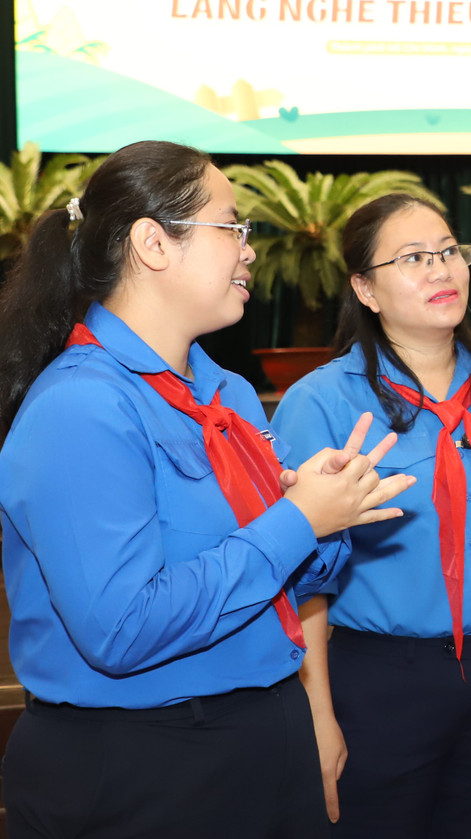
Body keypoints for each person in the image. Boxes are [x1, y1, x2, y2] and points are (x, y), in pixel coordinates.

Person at [0, 140, 413, 839]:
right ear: (153, 244)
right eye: (231, 227)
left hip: (261, 730)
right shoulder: (81, 405)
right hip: (142, 763)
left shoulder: (229, 393)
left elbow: (281, 578)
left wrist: (328, 513)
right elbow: (122, 629)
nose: (249, 252)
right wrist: (295, 521)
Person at [270, 192, 471, 839]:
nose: (441, 269)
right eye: (414, 257)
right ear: (365, 288)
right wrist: (317, 711)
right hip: (382, 685)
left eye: (450, 251)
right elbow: (300, 575)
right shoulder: (322, 402)